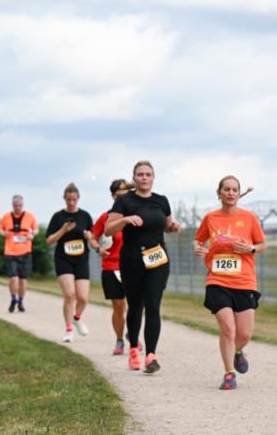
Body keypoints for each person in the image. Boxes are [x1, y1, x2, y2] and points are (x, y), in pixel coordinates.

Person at [104, 161, 181, 373]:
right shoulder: (124, 201)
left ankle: (151, 356)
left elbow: (167, 226)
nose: (144, 178)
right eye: (140, 174)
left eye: (148, 174)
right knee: (136, 306)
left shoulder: (161, 201)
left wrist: (173, 227)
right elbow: (108, 230)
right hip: (132, 258)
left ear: (153, 177)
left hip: (157, 257)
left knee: (153, 305)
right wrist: (125, 220)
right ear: (134, 178)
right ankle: (133, 349)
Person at [194, 175, 266, 390]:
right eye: (226, 189)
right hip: (217, 279)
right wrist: (198, 247)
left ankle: (237, 351)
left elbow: (262, 244)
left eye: (235, 189)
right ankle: (229, 373)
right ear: (219, 193)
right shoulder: (211, 218)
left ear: (239, 193)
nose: (231, 193)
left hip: (244, 281)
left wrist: (250, 249)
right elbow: (198, 239)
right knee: (228, 328)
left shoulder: (249, 217)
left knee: (244, 334)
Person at [46, 183, 97, 342]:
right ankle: (68, 329)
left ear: (78, 198)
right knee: (69, 294)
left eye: (74, 199)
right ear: (64, 198)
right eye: (68, 199)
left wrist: (91, 238)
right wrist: (63, 230)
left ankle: (77, 318)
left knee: (83, 298)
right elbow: (49, 240)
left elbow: (93, 239)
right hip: (63, 259)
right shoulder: (58, 217)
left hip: (81, 260)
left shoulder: (85, 216)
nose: (71, 202)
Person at [92, 179, 133, 355]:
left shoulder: (136, 215)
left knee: (136, 304)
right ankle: (119, 340)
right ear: (113, 197)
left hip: (133, 265)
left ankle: (133, 333)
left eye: (125, 195)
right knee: (118, 305)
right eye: (118, 196)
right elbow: (93, 237)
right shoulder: (105, 217)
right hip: (111, 265)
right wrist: (98, 248)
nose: (122, 199)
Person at [0, 195, 38, 313]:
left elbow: (36, 229)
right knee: (13, 278)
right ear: (12, 205)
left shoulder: (30, 216)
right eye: (15, 205)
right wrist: (3, 233)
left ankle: (20, 301)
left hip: (25, 252)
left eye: (20, 205)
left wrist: (32, 234)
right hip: (10, 252)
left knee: (23, 280)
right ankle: (13, 298)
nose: (18, 208)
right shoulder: (6, 216)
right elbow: (0, 229)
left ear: (22, 205)